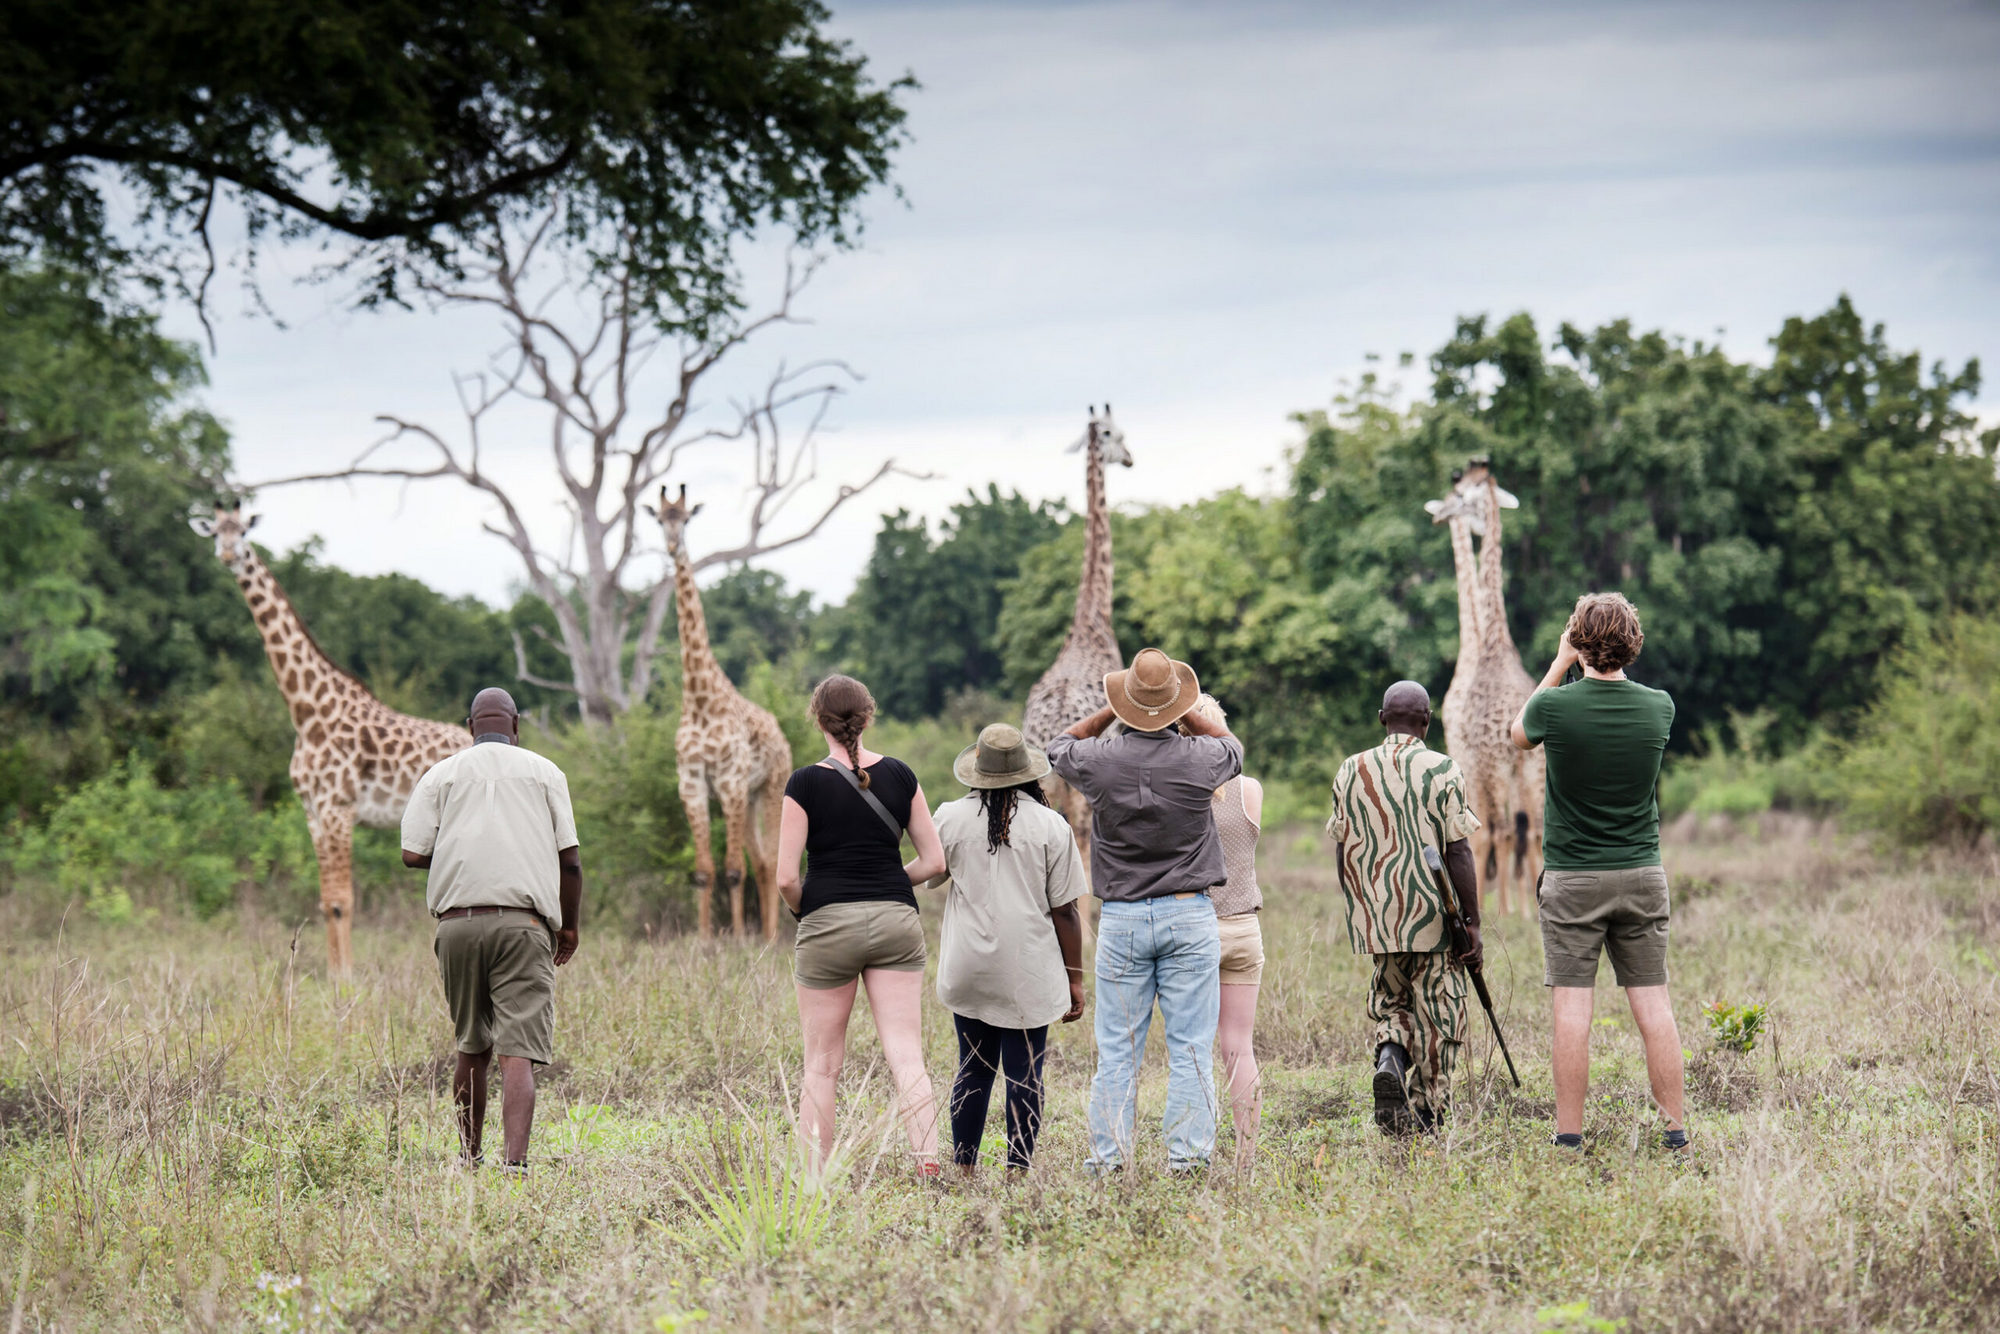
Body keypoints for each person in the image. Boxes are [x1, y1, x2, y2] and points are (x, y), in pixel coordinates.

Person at [1046, 647, 1243, 1175]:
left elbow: (1059, 745)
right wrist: (1183, 711)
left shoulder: (1097, 762)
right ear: (1174, 707)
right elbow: (1233, 746)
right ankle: (1189, 1161)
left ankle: (1109, 1161)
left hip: (1125, 919)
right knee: (1191, 1048)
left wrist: (1115, 710)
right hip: (1189, 914)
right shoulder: (1202, 758)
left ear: (1126, 700)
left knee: (1117, 1052)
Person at [1510, 592, 1689, 1154]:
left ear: (1578, 640)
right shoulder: (1660, 705)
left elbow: (1517, 734)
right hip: (1641, 873)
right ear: (1632, 643)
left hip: (1573, 880)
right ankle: (1675, 1131)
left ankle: (1569, 1137)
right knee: (1654, 1007)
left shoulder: (1556, 707)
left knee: (1572, 1011)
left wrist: (1560, 663)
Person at [400, 687, 583, 1173]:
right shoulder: (546, 772)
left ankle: (468, 1157)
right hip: (525, 927)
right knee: (517, 1051)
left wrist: (463, 852)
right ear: (516, 726)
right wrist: (568, 928)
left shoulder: (440, 774)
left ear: (470, 726)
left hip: (457, 926)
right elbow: (571, 861)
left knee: (471, 1045)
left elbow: (412, 853)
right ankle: (515, 1167)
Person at [776, 674, 948, 1173]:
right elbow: (934, 862)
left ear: (818, 720)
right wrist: (890, 880)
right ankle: (927, 1163)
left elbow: (787, 877)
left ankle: (814, 1175)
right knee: (907, 1055)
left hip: (827, 924)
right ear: (867, 717)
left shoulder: (804, 783)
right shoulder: (900, 774)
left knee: (822, 1064)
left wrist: (807, 908)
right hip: (897, 920)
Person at [930, 724, 1088, 1175]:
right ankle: (1018, 1172)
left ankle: (963, 1168)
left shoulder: (949, 817)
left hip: (968, 966)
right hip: (1028, 970)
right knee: (1025, 1074)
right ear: (1027, 771)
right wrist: (1075, 978)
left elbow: (929, 875)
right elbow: (1066, 912)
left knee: (973, 1067)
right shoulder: (1050, 825)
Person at [1326, 680, 1482, 1135]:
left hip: (1378, 918)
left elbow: (1342, 852)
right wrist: (1470, 924)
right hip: (1435, 919)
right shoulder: (1442, 770)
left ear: (1382, 719)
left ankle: (1391, 1057)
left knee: (1391, 1001)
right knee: (1439, 1011)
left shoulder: (1350, 770)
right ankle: (1427, 1111)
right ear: (1427, 722)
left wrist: (1364, 906)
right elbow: (1458, 852)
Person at [1180, 694, 1266, 1170]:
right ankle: (1246, 1155)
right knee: (1239, 1047)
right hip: (1244, 930)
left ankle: (1194, 1149)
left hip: (1195, 928)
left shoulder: (1181, 794)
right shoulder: (1249, 788)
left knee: (1193, 1046)